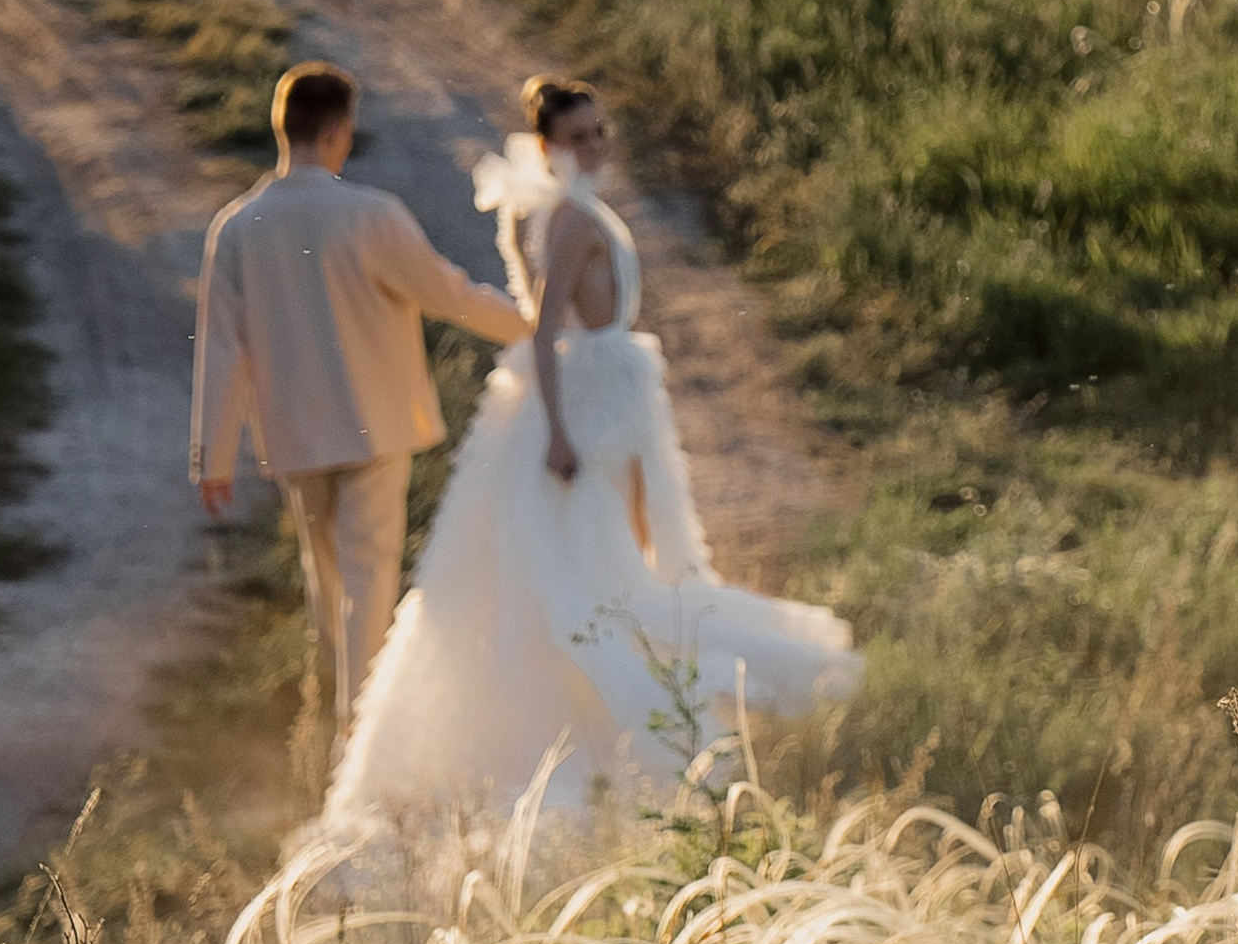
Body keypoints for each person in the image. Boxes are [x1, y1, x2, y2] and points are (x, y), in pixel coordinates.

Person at [318, 74, 857, 841]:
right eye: (579, 138)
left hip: (597, 402)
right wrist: (564, 436)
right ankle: (594, 743)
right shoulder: (569, 218)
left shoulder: (557, 213)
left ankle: (589, 734)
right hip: (579, 410)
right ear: (548, 148)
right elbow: (543, 331)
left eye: (600, 132)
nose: (596, 147)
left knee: (599, 566)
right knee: (586, 578)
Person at [190, 60, 533, 727]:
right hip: (377, 425)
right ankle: (360, 736)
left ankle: (344, 725)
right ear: (341, 132)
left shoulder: (236, 227)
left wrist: (215, 455)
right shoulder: (371, 215)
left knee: (330, 587)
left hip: (295, 437)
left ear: (280, 128)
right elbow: (448, 294)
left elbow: (224, 347)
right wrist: (532, 326)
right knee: (370, 579)